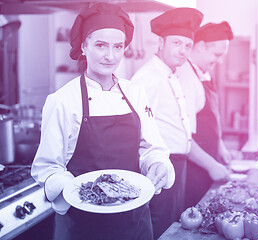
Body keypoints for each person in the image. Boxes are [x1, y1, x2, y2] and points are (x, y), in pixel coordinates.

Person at [30, 3, 174, 240]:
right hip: (82, 224)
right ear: (83, 46)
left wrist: (157, 164)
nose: (110, 56)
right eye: (100, 45)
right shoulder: (62, 100)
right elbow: (47, 167)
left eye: (118, 47)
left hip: (134, 220)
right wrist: (79, 191)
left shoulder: (134, 92)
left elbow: (152, 148)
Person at [131, 8, 230, 238]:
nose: (183, 51)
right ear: (161, 42)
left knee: (175, 229)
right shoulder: (147, 78)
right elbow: (136, 131)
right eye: (177, 43)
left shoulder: (171, 74)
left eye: (187, 45)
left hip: (180, 165)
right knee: (162, 228)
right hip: (163, 166)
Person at [176, 21, 234, 208]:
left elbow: (208, 120)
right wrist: (212, 165)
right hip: (194, 170)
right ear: (200, 47)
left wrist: (220, 146)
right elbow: (182, 137)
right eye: (217, 54)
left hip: (209, 162)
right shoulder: (186, 77)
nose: (220, 61)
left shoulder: (204, 73)